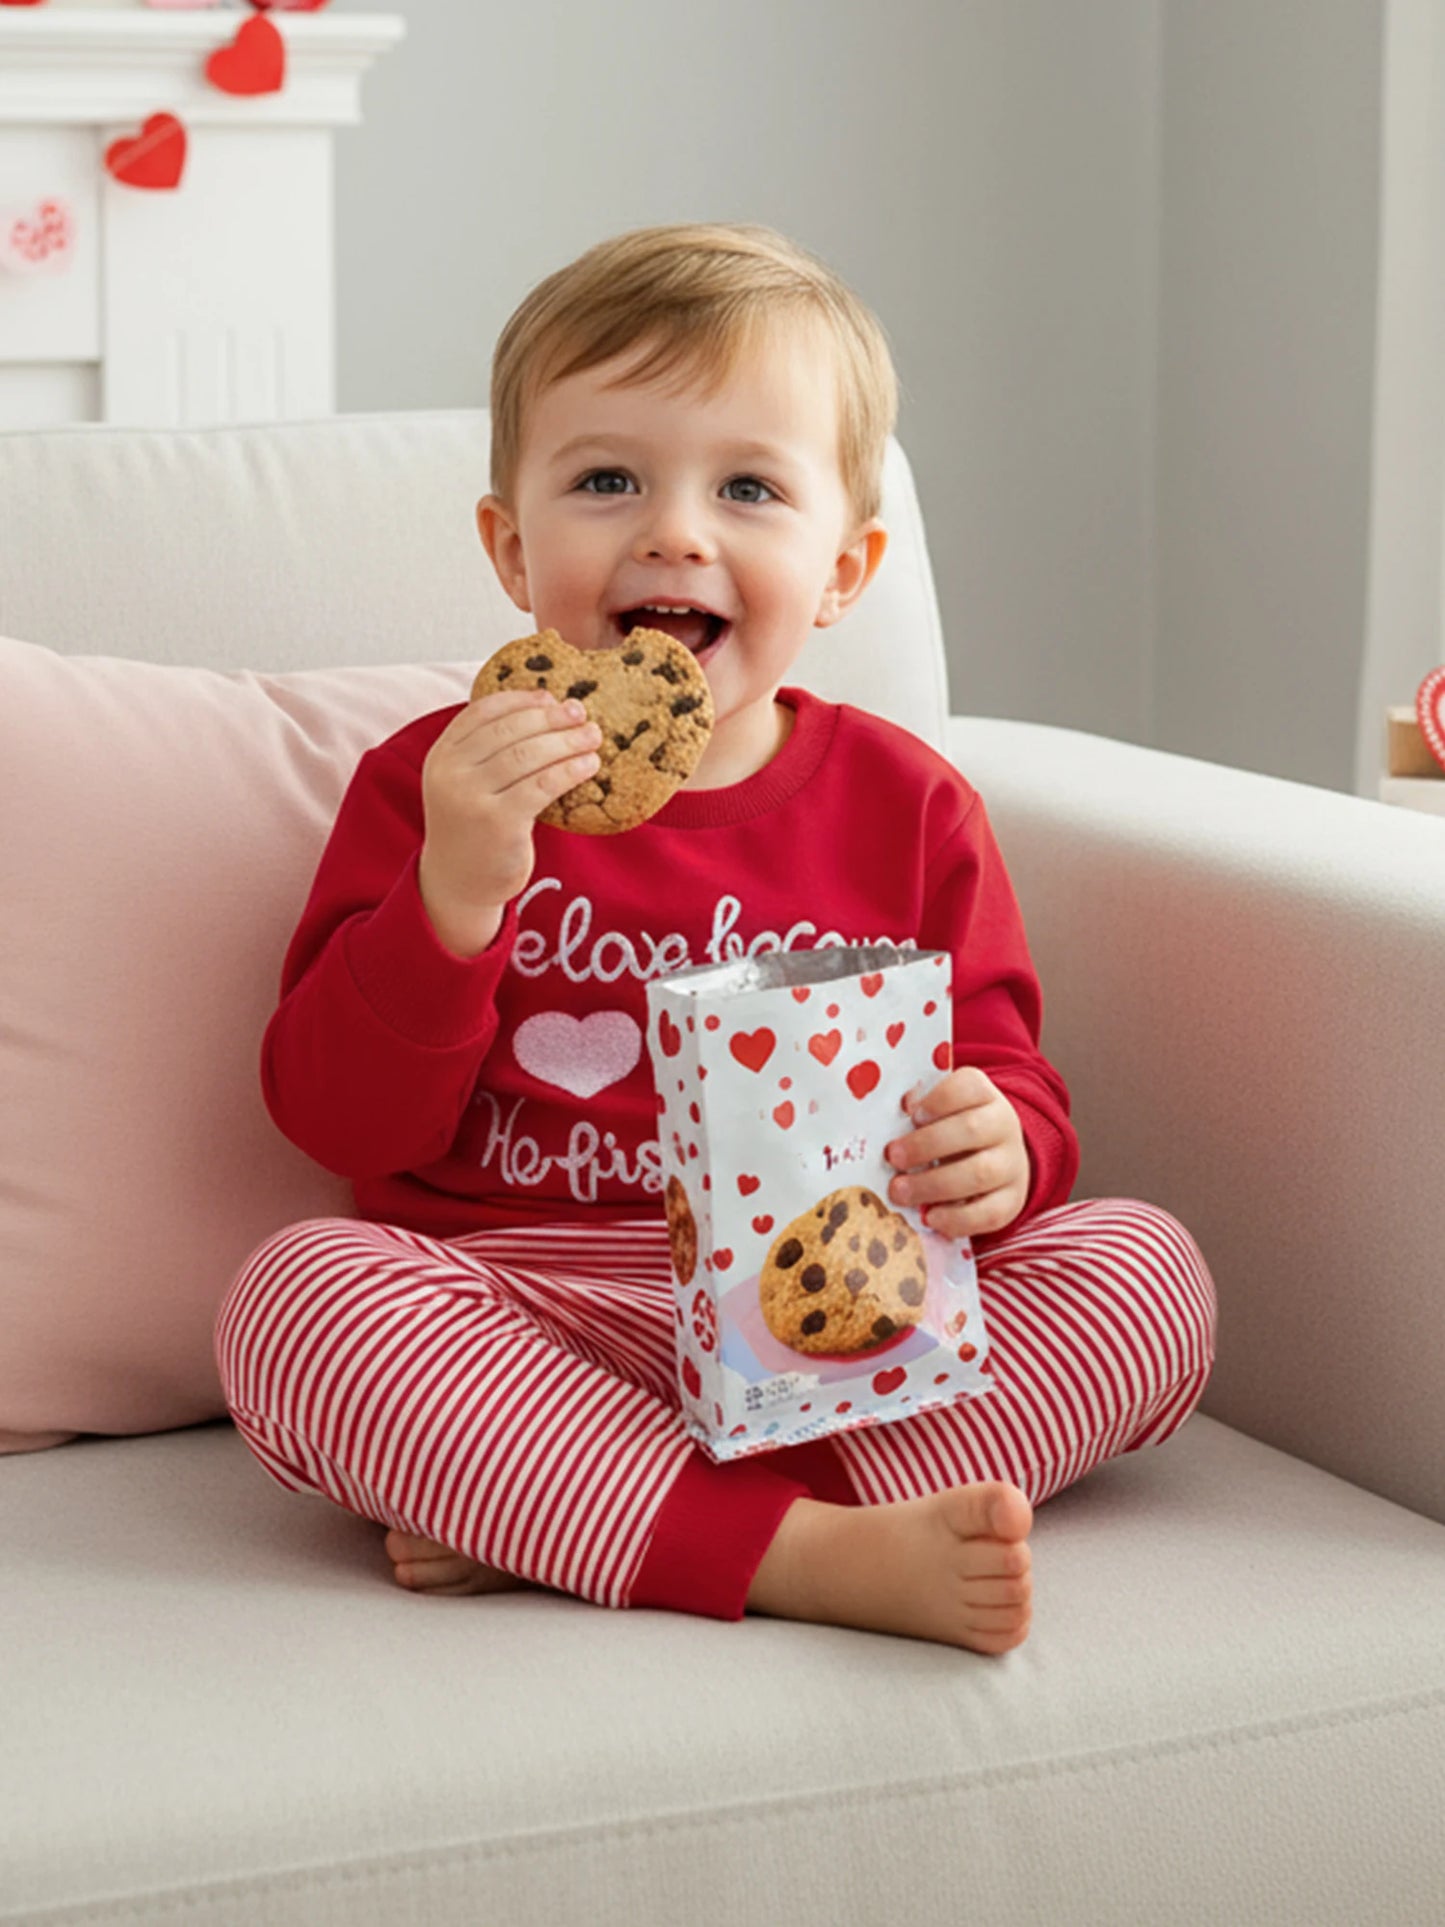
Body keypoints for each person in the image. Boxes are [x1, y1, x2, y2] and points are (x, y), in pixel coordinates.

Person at [214, 222, 1216, 1655]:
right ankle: (782, 1543)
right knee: (299, 1300)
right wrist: (452, 894)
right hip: (526, 1304)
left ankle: (579, 1515)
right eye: (606, 479)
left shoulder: (908, 804)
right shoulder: (435, 785)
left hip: (836, 1320)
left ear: (844, 568)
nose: (673, 531)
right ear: (509, 548)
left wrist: (1003, 1148)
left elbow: (1002, 1077)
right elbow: (336, 1119)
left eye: (748, 487)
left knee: (1142, 1270)